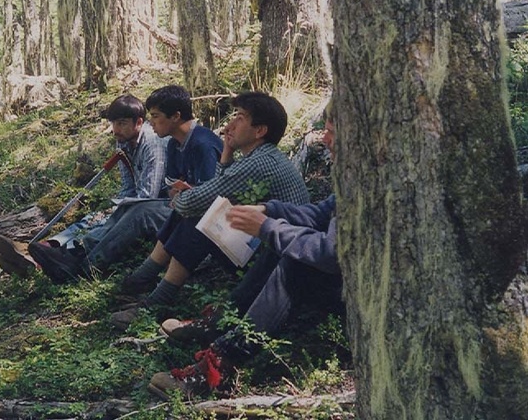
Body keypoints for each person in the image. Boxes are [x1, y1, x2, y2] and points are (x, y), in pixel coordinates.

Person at [148, 115, 341, 399]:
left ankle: (219, 365)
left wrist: (267, 227)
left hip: (367, 295)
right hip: (342, 277)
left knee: (295, 263)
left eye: (332, 132)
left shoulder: (262, 159)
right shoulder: (357, 176)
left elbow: (331, 254)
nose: (324, 139)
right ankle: (221, 323)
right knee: (281, 244)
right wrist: (268, 210)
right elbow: (319, 214)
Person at [112, 92, 310, 328]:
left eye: (241, 118)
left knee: (200, 216)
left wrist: (183, 198)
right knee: (203, 209)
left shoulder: (258, 164)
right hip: (269, 247)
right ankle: (144, 278)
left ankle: (155, 300)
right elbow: (217, 189)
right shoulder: (260, 157)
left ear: (260, 131)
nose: (230, 125)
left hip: (275, 262)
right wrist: (226, 154)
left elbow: (196, 200)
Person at [27, 85, 223, 283]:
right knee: (127, 207)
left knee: (141, 212)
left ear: (175, 116)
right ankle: (73, 255)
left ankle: (85, 269)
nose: (151, 123)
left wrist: (180, 197)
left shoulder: (202, 144)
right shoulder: (174, 143)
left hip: (204, 216)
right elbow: (173, 186)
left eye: (155, 116)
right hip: (179, 206)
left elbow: (208, 198)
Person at [0, 94, 169, 278]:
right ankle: (45, 249)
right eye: (113, 123)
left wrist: (119, 207)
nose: (116, 129)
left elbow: (147, 195)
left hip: (154, 206)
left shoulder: (152, 144)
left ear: (139, 122)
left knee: (112, 218)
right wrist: (112, 206)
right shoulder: (123, 141)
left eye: (122, 123)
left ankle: (52, 259)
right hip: (137, 200)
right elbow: (127, 187)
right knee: (97, 216)